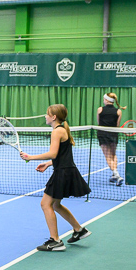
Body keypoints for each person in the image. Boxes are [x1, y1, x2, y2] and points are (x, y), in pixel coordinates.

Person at [21, 104, 91, 252]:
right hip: (67, 170)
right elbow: (61, 156)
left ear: (53, 117)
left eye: (47, 114)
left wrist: (30, 157)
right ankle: (79, 230)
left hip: (63, 173)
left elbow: (53, 154)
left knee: (45, 204)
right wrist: (48, 164)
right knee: (56, 205)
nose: (45, 116)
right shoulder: (62, 130)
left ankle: (55, 241)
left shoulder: (57, 131)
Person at [96, 93, 124, 185]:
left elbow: (99, 123)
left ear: (107, 100)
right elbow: (117, 125)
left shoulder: (100, 109)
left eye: (104, 99)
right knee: (113, 154)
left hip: (102, 134)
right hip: (113, 134)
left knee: (108, 156)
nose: (103, 100)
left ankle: (117, 175)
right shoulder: (119, 111)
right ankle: (114, 174)